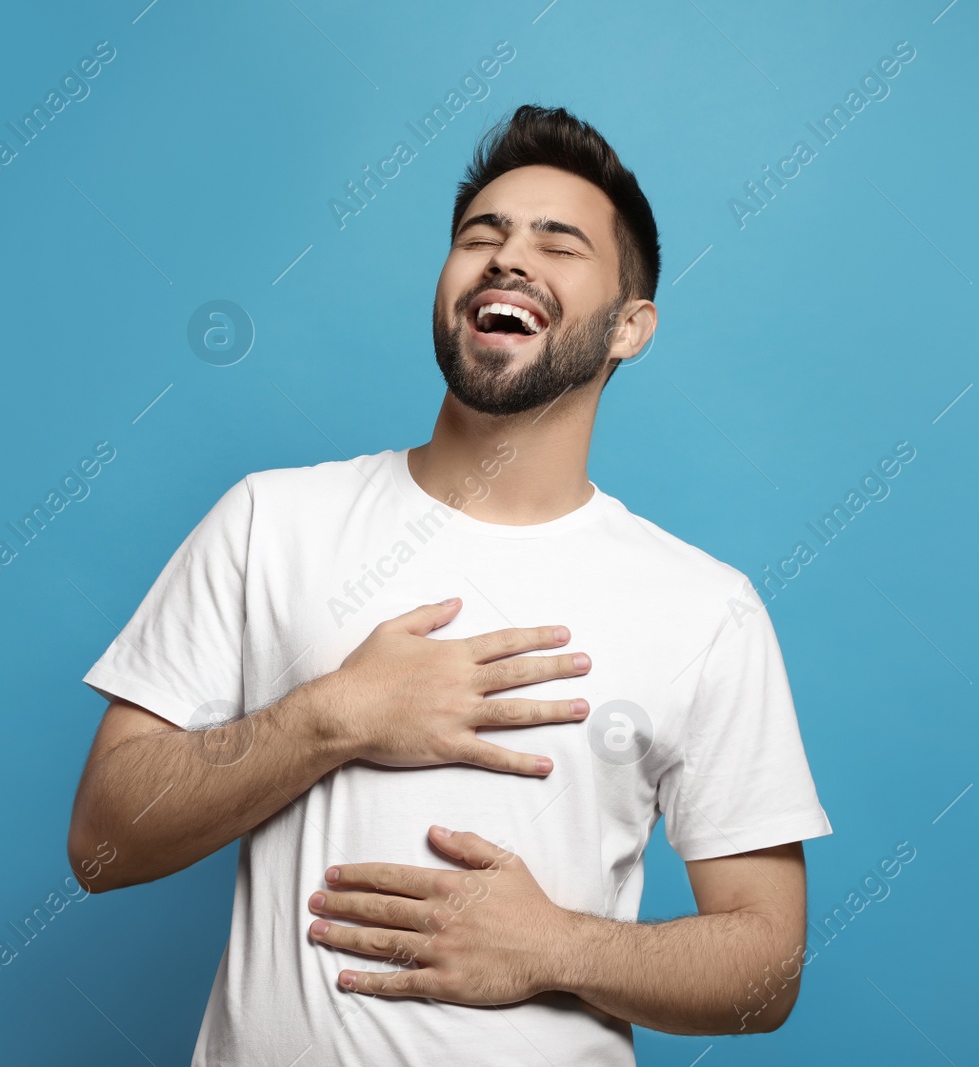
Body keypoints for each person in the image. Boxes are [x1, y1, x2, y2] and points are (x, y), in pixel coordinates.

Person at [67, 103, 832, 1065]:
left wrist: (557, 946)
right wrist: (332, 715)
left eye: (558, 244)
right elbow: (101, 843)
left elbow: (768, 971)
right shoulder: (271, 520)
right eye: (483, 235)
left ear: (630, 328)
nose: (510, 258)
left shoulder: (705, 608)